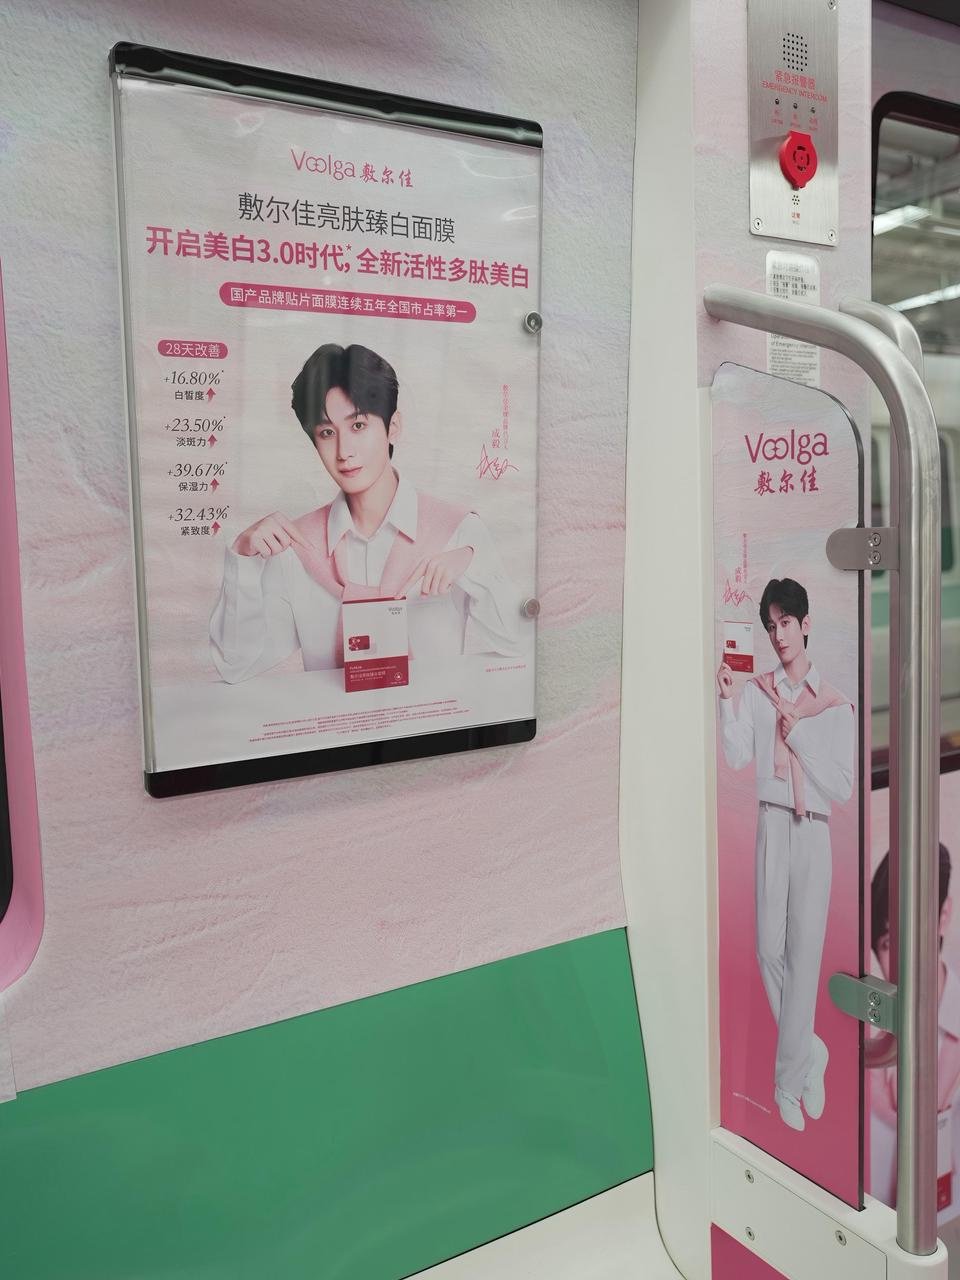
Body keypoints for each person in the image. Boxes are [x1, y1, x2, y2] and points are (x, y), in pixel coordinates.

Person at [210, 343, 522, 682]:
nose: (344, 451)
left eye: (358, 425)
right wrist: (242, 557)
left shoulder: (457, 531)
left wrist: (472, 565)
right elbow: (235, 665)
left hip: (432, 716)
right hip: (334, 717)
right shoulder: (296, 548)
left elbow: (517, 640)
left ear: (393, 426)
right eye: (327, 433)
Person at [717, 577, 855, 1132]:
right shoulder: (757, 692)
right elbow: (736, 758)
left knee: (805, 956)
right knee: (768, 949)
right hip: (773, 822)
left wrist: (798, 735)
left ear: (805, 624)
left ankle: (786, 1085)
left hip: (814, 831)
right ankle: (810, 1050)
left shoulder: (835, 703)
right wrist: (728, 701)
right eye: (771, 626)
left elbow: (842, 787)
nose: (778, 635)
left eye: (786, 623)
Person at [870, 844, 960, 1221]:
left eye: (915, 930)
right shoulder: (864, 1038)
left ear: (943, 917)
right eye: (889, 942)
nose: (903, 957)